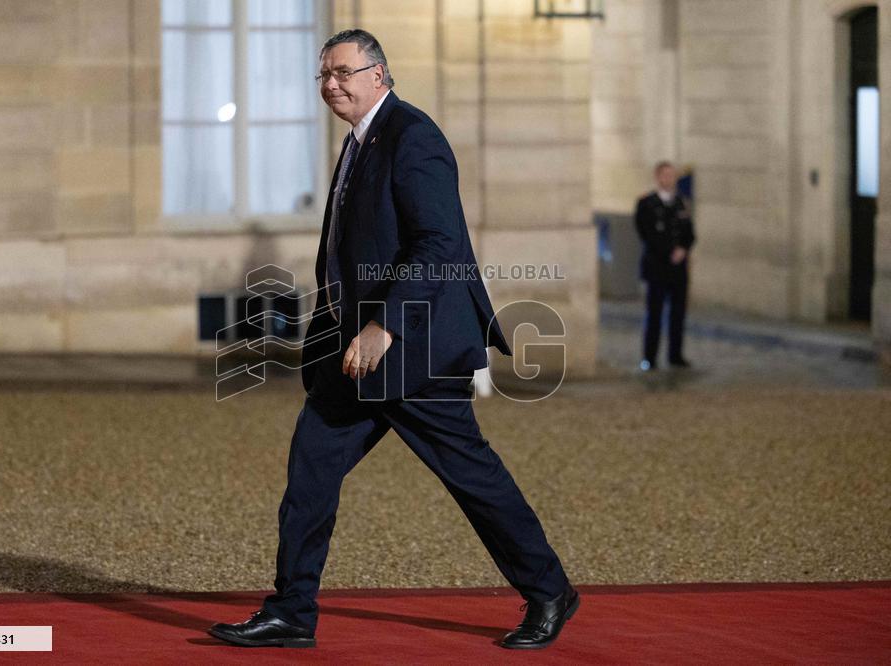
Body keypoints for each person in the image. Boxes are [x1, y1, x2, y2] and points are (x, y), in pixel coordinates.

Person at [207, 29, 577, 651]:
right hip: (350, 358)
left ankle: (549, 592)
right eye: (324, 75)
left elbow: (439, 248)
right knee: (310, 475)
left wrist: (385, 327)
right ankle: (292, 611)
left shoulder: (414, 138)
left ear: (380, 73)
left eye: (344, 73)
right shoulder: (360, 141)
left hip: (416, 351)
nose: (332, 85)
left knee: (473, 480)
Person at [634, 161, 695, 370]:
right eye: (666, 175)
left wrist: (683, 249)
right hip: (657, 266)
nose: (669, 179)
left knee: (678, 313)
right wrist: (669, 251)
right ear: (658, 177)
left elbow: (689, 232)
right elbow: (646, 233)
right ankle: (649, 357)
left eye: (672, 175)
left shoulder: (681, 203)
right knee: (655, 314)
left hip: (678, 268)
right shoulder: (647, 203)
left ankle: (675, 355)